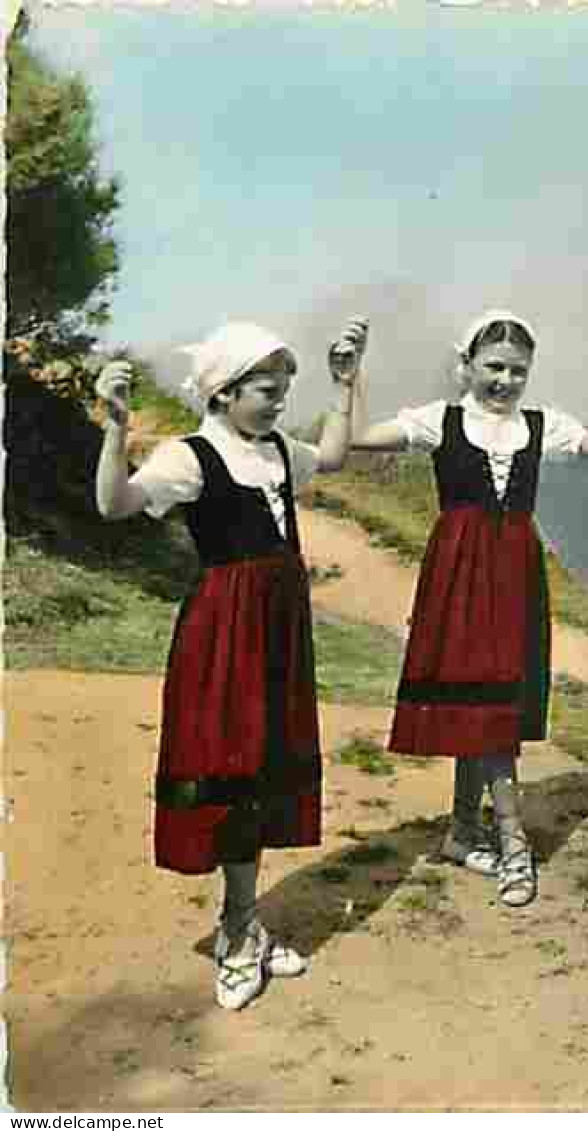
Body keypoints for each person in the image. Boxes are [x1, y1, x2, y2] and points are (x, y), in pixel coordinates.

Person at [94, 318, 367, 1010]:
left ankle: (241, 920)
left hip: (279, 631)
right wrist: (116, 428)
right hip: (224, 631)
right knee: (234, 764)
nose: (278, 403)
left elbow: (332, 455)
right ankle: (239, 930)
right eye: (266, 391)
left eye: (282, 390)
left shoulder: (277, 449)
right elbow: (114, 503)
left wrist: (345, 382)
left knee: (266, 763)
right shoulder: (192, 457)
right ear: (222, 392)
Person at [351, 310, 588, 908]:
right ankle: (511, 844)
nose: (505, 381)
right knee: (477, 700)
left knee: (495, 701)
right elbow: (358, 437)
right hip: (457, 574)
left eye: (517, 370)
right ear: (466, 366)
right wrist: (351, 377)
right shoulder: (442, 419)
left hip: (514, 574)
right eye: (493, 367)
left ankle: (465, 831)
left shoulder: (541, 425)